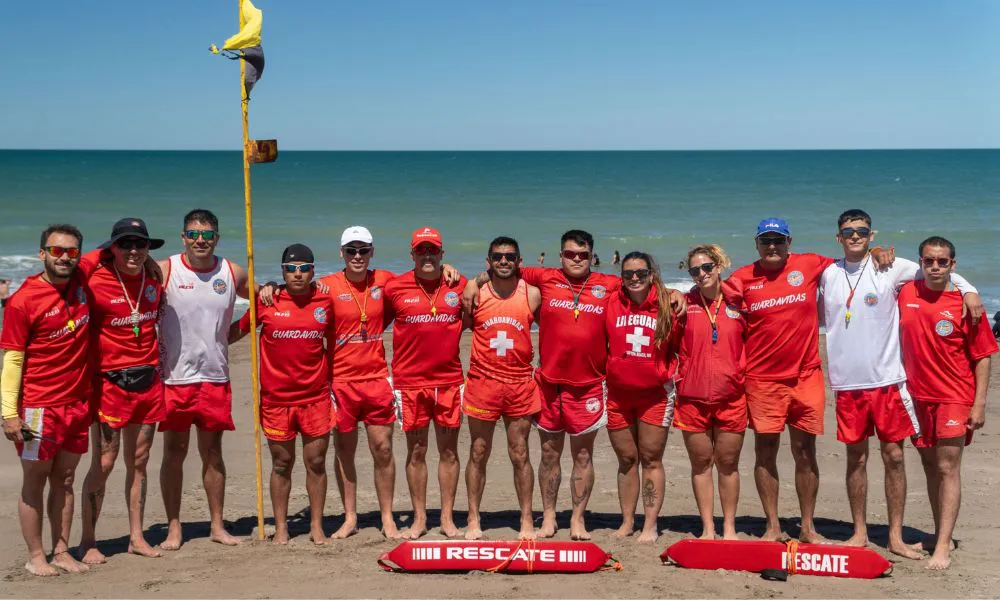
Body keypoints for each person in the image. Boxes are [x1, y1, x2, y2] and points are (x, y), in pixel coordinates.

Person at [819, 209, 980, 558]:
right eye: (848, 231)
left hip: (889, 381)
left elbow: (938, 270)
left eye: (861, 230)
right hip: (846, 384)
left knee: (894, 457)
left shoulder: (892, 268)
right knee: (855, 459)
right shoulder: (826, 272)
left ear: (872, 235)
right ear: (839, 237)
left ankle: (894, 536)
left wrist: (969, 291)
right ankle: (859, 532)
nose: (855, 236)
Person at [724, 217, 886, 542]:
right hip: (762, 381)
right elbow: (713, 302)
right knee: (765, 451)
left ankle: (807, 526)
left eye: (778, 240)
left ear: (789, 242)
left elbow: (852, 263)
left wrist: (878, 250)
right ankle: (772, 526)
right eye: (766, 240)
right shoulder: (742, 278)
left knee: (805, 450)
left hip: (805, 376)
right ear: (756, 244)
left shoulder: (810, 264)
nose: (772, 246)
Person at [465, 230, 631, 540]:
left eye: (582, 255)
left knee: (583, 456)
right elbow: (503, 268)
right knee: (548, 454)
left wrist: (673, 294)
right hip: (549, 383)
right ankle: (549, 517)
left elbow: (641, 285)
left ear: (591, 256)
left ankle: (578, 520)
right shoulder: (544, 277)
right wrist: (472, 284)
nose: (576, 259)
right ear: (561, 256)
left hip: (590, 384)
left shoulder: (608, 284)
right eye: (570, 254)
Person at [898, 236, 997, 570]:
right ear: (920, 263)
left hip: (955, 396)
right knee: (929, 467)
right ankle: (940, 532)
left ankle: (942, 546)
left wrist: (979, 403)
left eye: (942, 261)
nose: (935, 266)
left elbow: (983, 356)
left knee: (947, 467)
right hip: (916, 396)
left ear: (953, 265)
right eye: (929, 261)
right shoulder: (906, 292)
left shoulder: (965, 303)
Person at [229, 244, 335, 545]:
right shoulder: (269, 300)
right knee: (281, 463)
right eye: (291, 268)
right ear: (282, 272)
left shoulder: (325, 301)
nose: (297, 273)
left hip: (315, 398)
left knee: (316, 461)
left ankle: (316, 526)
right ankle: (282, 527)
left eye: (303, 268)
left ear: (313, 271)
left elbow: (340, 338)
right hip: (277, 400)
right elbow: (236, 332)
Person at [1, 225, 92, 576]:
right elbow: (12, 360)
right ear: (42, 254)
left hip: (78, 402)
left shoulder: (81, 284)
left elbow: (111, 254)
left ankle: (62, 550)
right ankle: (36, 556)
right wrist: (8, 413)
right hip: (38, 406)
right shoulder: (23, 300)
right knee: (35, 479)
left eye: (71, 252)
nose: (64, 257)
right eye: (56, 251)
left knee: (66, 478)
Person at [157, 209, 251, 549]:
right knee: (175, 452)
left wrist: (232, 335)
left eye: (207, 235)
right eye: (194, 234)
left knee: (212, 453)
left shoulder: (231, 271)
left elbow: (261, 302)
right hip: (174, 378)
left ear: (217, 238)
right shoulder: (166, 269)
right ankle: (173, 527)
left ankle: (216, 526)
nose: (200, 240)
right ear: (183, 237)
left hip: (214, 378)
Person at [78, 218, 166, 562]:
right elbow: (76, 263)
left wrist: (148, 262)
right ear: (111, 247)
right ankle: (87, 541)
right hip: (109, 384)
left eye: (140, 244)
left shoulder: (154, 281)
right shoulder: (94, 279)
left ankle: (137, 536)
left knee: (139, 462)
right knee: (104, 461)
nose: (133, 251)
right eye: (125, 244)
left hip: (148, 382)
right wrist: (101, 251)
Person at [384, 227, 468, 539]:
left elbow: (486, 297)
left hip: (448, 381)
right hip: (409, 384)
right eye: (422, 250)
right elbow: (368, 316)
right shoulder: (395, 287)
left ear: (442, 254)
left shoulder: (459, 285)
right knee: (416, 451)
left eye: (433, 250)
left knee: (449, 452)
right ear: (413, 255)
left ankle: (446, 518)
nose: (428, 255)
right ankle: (420, 519)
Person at [319, 226, 401, 539]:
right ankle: (350, 517)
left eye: (363, 250)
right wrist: (270, 288)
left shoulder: (386, 280)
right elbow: (295, 295)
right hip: (341, 381)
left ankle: (388, 518)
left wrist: (448, 269)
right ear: (341, 253)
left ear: (372, 252)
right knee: (345, 452)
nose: (357, 256)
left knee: (383, 449)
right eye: (351, 250)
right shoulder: (327, 286)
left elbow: (420, 279)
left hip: (377, 379)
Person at [462, 236, 541, 541]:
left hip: (520, 384)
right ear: (489, 262)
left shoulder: (532, 295)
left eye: (510, 257)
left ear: (519, 261)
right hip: (483, 383)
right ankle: (473, 518)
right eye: (498, 257)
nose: (504, 262)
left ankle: (526, 519)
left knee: (520, 453)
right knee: (478, 451)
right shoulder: (477, 293)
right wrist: (472, 283)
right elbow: (460, 323)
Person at [673, 245, 747, 541]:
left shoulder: (740, 301)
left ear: (718, 267)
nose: (701, 274)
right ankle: (708, 528)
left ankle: (729, 527)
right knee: (701, 464)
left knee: (728, 464)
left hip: (732, 397)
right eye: (694, 270)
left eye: (706, 268)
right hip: (692, 399)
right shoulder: (683, 304)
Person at [604, 251, 678, 543]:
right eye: (628, 274)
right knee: (626, 459)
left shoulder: (667, 305)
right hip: (618, 394)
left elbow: (681, 345)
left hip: (655, 395)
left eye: (641, 273)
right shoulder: (611, 300)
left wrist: (676, 294)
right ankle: (626, 522)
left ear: (652, 275)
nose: (634, 278)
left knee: (650, 459)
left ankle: (650, 524)